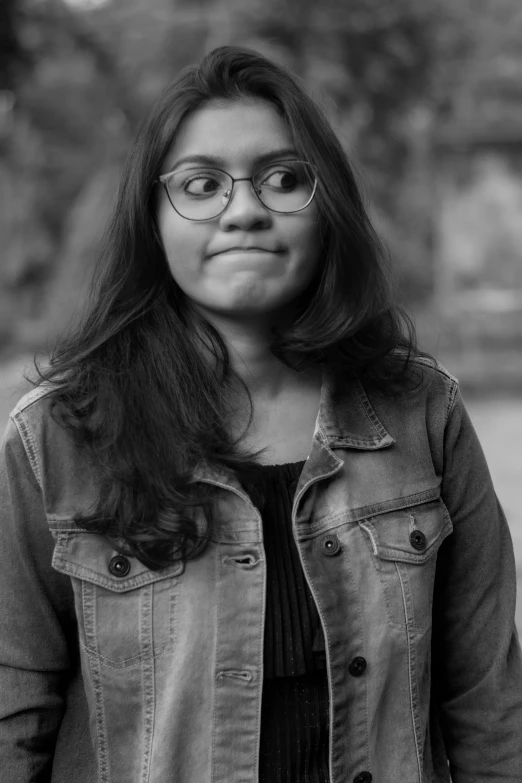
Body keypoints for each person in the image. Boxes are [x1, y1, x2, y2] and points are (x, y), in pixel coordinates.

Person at [0, 45, 521, 783]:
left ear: (327, 203)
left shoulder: (422, 415)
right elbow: (9, 714)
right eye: (202, 184)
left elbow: (492, 714)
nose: (244, 210)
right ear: (151, 219)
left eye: (282, 178)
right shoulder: (54, 440)